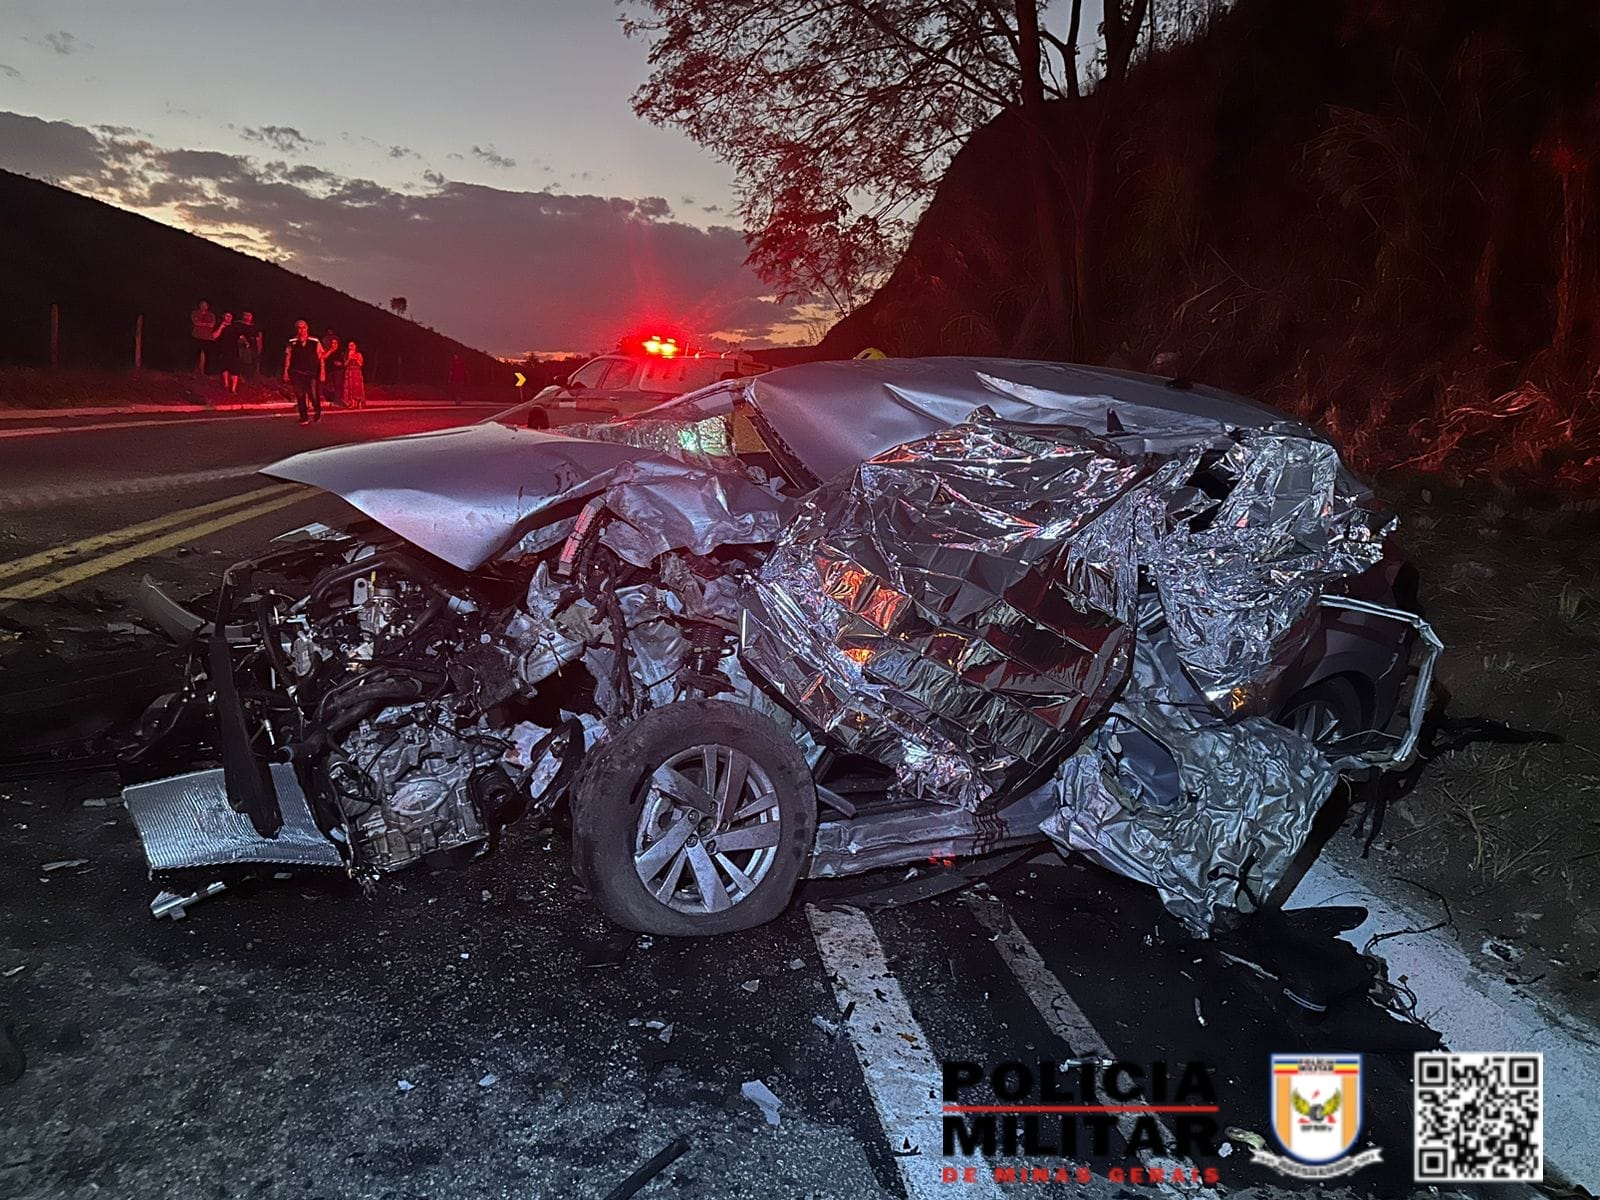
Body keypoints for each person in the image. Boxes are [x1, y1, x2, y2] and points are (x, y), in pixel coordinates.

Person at [283, 320, 324, 424]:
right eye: (299, 328)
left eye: (303, 328)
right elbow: (288, 357)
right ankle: (304, 417)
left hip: (311, 373)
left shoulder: (314, 341)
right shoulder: (292, 342)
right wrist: (286, 371)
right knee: (300, 396)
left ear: (307, 328)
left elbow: (321, 357)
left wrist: (323, 371)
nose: (301, 330)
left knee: (313, 395)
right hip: (296, 372)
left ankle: (317, 410)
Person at [210, 311, 239, 392]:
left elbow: (240, 337)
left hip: (234, 351)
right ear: (223, 316)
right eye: (227, 316)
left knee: (235, 370)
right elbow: (213, 336)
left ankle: (233, 389)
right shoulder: (219, 325)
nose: (228, 317)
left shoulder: (235, 326)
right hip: (223, 350)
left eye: (230, 316)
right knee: (224, 368)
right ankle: (226, 384)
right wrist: (220, 328)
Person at [233, 311, 263, 384]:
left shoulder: (254, 326)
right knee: (242, 360)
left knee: (252, 360)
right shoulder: (238, 324)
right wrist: (244, 341)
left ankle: (250, 376)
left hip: (253, 345)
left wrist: (259, 344)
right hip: (242, 345)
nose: (248, 317)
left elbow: (258, 336)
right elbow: (237, 334)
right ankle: (241, 375)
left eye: (249, 315)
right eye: (246, 315)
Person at [320, 332, 346, 408]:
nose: (334, 345)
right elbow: (324, 357)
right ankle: (322, 398)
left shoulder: (340, 351)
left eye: (335, 343)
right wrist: (331, 350)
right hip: (329, 370)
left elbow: (343, 361)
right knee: (324, 385)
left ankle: (337, 401)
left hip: (338, 370)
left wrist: (340, 363)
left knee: (338, 385)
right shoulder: (328, 350)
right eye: (332, 343)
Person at [190, 300, 217, 373]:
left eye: (205, 305)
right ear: (199, 305)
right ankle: (194, 370)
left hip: (207, 337)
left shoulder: (211, 315)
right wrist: (206, 324)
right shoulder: (195, 313)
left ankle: (206, 371)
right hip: (197, 336)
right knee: (196, 354)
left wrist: (201, 324)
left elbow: (212, 325)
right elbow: (196, 323)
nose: (204, 306)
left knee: (207, 354)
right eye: (202, 305)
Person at [343, 339, 367, 409]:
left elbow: (360, 364)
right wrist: (349, 359)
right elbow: (344, 364)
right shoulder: (347, 354)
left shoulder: (359, 354)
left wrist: (356, 358)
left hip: (356, 372)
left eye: (352, 345)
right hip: (349, 372)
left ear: (355, 346)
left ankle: (359, 402)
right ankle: (352, 402)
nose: (351, 347)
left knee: (357, 387)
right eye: (349, 345)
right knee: (350, 387)